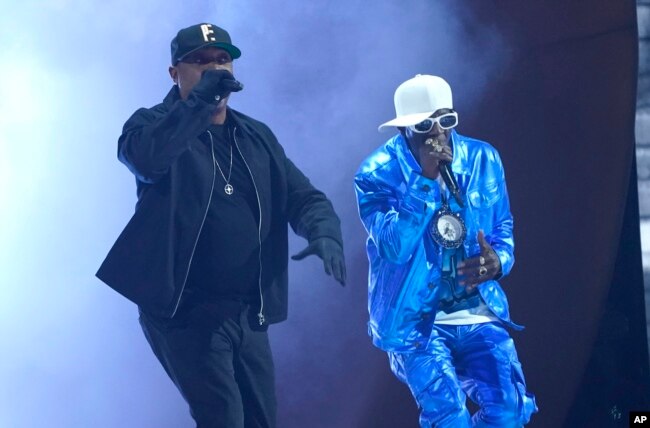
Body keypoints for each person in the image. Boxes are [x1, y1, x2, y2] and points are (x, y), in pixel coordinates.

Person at [96, 22, 346, 428]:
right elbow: (146, 160)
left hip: (247, 311)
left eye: (222, 60)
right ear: (175, 72)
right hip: (185, 310)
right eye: (200, 62)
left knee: (260, 421)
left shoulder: (255, 137)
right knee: (224, 419)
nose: (215, 70)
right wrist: (197, 106)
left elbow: (303, 196)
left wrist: (324, 231)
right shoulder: (149, 125)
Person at [354, 74, 537, 427]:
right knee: (449, 416)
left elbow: (503, 228)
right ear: (405, 129)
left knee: (511, 411)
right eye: (425, 125)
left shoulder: (483, 158)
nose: (438, 132)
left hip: (477, 311)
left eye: (446, 120)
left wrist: (499, 261)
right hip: (415, 321)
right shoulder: (376, 174)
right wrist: (424, 180)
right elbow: (393, 247)